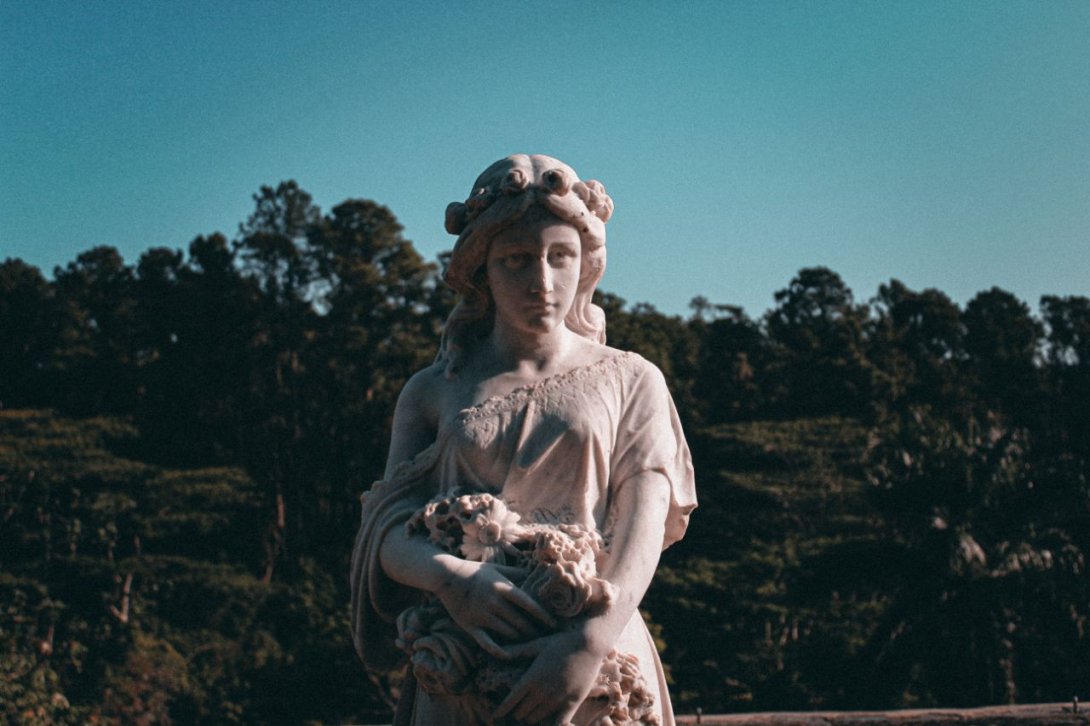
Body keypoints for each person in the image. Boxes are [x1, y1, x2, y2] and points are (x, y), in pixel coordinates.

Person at [351, 154, 696, 724]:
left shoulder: (632, 378)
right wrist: (452, 578)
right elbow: (385, 528)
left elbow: (642, 524)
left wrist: (586, 645)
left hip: (594, 658)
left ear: (585, 264)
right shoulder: (433, 390)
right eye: (516, 260)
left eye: (560, 257)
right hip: (463, 659)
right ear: (480, 268)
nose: (542, 281)